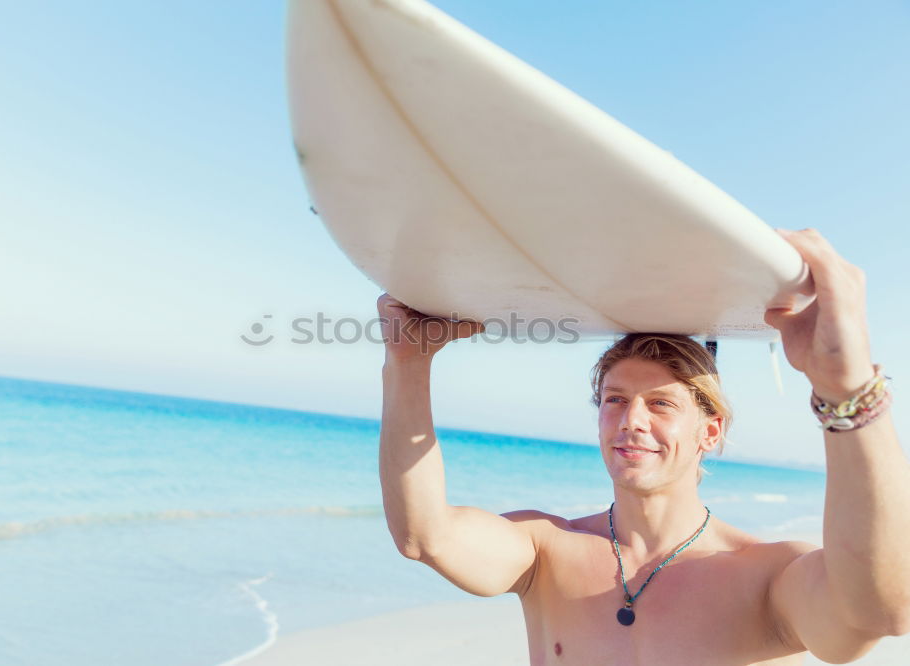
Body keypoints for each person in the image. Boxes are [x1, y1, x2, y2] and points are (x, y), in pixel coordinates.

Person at [377, 228, 908, 665]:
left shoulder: (763, 576)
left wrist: (846, 390)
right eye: (615, 399)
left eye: (660, 404)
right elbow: (425, 535)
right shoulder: (546, 550)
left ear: (711, 431)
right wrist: (408, 363)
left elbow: (880, 611)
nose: (631, 420)